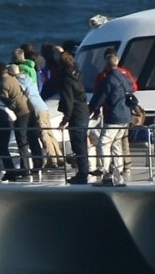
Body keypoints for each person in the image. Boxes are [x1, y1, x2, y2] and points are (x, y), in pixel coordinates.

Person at [93, 48, 138, 182]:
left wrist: (93, 110)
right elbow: (134, 88)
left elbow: (99, 95)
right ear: (117, 61)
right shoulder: (125, 75)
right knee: (118, 142)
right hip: (125, 115)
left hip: (113, 115)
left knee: (104, 142)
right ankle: (119, 168)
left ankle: (105, 170)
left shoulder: (107, 78)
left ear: (106, 62)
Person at [10, 63, 57, 170]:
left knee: (43, 134)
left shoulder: (18, 82)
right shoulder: (27, 78)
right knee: (49, 134)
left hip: (36, 108)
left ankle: (52, 160)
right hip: (43, 106)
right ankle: (58, 157)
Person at [57, 50, 91, 184]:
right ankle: (84, 170)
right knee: (82, 142)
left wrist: (65, 120)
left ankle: (82, 174)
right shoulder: (77, 74)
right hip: (84, 111)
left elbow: (69, 103)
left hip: (76, 114)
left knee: (78, 145)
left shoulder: (66, 81)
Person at [0, 63, 34, 179]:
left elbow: (7, 102)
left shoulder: (3, 83)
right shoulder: (12, 78)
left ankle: (26, 169)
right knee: (27, 139)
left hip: (21, 112)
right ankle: (27, 166)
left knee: (21, 140)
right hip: (28, 108)